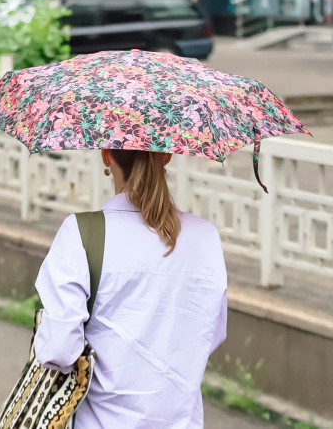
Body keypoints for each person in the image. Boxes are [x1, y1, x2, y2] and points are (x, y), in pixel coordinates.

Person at [34, 149, 229, 428]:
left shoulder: (81, 233)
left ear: (105, 156)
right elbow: (209, 333)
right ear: (167, 156)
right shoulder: (204, 237)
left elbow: (59, 350)